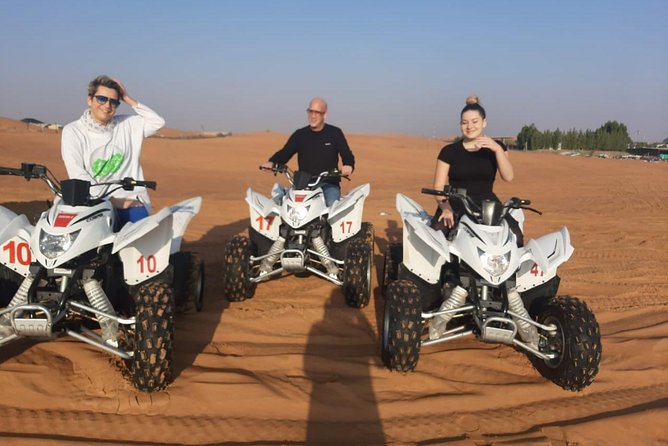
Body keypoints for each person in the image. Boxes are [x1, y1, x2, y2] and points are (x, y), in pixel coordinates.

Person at [61, 75, 165, 227]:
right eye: (101, 99)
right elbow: (77, 173)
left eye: (114, 101)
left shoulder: (127, 125)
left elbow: (157, 122)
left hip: (131, 202)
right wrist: (111, 201)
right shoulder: (73, 131)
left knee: (143, 245)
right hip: (92, 204)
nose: (107, 105)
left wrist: (127, 98)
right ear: (90, 100)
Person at [432, 95, 523, 245]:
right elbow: (438, 187)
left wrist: (497, 149)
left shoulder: (497, 147)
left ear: (484, 122)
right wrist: (446, 208)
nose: (469, 126)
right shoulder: (449, 151)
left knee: (515, 236)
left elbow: (508, 176)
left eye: (475, 122)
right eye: (464, 122)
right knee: (437, 237)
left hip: (488, 205)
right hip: (455, 204)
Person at [260, 97, 355, 207]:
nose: (313, 116)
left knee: (331, 206)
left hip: (328, 185)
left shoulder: (335, 133)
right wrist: (272, 162)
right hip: (303, 186)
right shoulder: (300, 135)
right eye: (310, 111)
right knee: (286, 208)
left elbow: (347, 154)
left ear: (325, 114)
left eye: (317, 112)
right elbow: (285, 153)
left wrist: (348, 165)